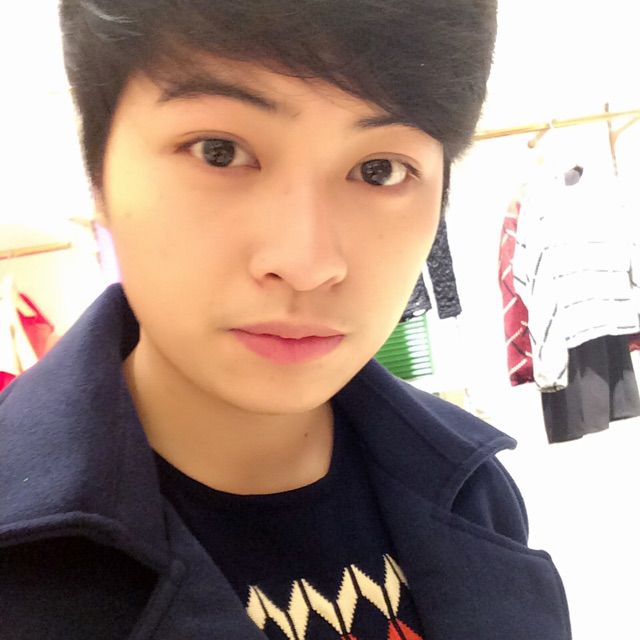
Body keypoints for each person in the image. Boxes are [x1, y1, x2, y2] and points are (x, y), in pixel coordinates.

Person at [0, 1, 572, 638]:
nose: (307, 263)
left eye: (379, 170)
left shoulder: (473, 489)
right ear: (97, 175)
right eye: (219, 152)